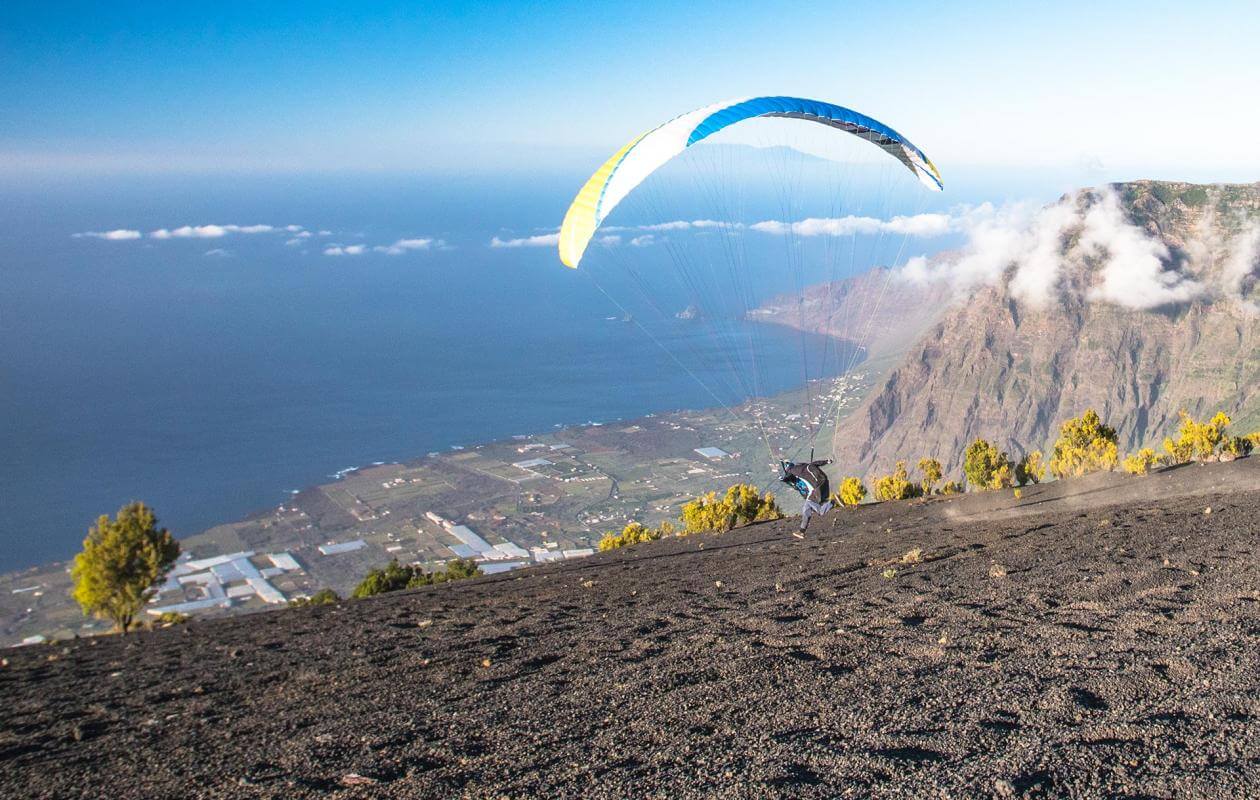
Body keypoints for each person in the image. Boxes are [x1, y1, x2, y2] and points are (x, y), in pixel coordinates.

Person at [779, 458, 834, 533]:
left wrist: (783, 479)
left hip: (816, 487)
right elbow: (817, 463)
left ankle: (832, 503)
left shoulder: (793, 470)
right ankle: (802, 531)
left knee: (818, 509)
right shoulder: (808, 466)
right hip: (824, 483)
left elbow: (788, 477)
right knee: (806, 508)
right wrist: (827, 461)